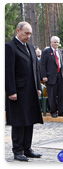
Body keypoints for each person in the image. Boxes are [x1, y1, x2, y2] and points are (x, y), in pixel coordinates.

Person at [5, 21, 43, 162]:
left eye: (30, 34)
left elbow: (35, 69)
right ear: (18, 30)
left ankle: (27, 148)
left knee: (30, 120)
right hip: (18, 91)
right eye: (26, 33)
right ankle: (18, 150)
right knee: (19, 121)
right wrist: (11, 91)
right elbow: (8, 71)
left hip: (31, 90)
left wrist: (38, 87)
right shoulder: (9, 47)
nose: (28, 36)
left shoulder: (30, 47)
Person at [40, 36, 63, 118]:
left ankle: (61, 111)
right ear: (51, 42)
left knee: (61, 94)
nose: (56, 44)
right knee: (52, 95)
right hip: (50, 76)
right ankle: (53, 111)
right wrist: (44, 76)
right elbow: (42, 65)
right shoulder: (46, 51)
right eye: (54, 42)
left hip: (60, 76)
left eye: (57, 42)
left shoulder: (61, 52)